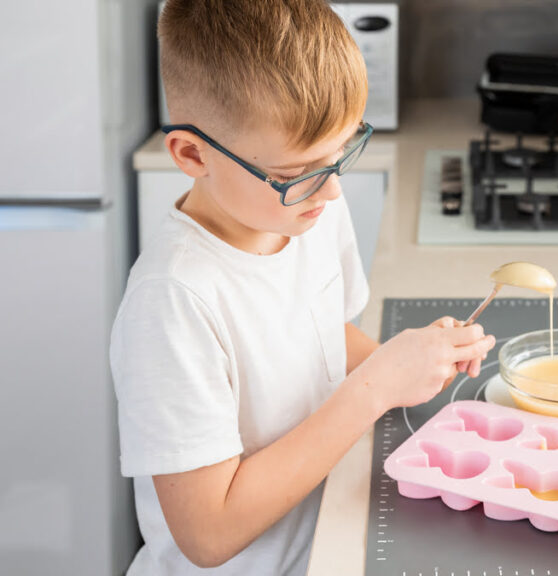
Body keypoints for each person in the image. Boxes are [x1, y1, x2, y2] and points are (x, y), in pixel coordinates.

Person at [109, 1, 495, 574]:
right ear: (192, 154)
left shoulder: (301, 209)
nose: (332, 192)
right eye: (299, 173)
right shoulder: (173, 301)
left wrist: (409, 363)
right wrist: (376, 387)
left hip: (321, 548)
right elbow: (207, 534)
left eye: (340, 155)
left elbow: (317, 334)